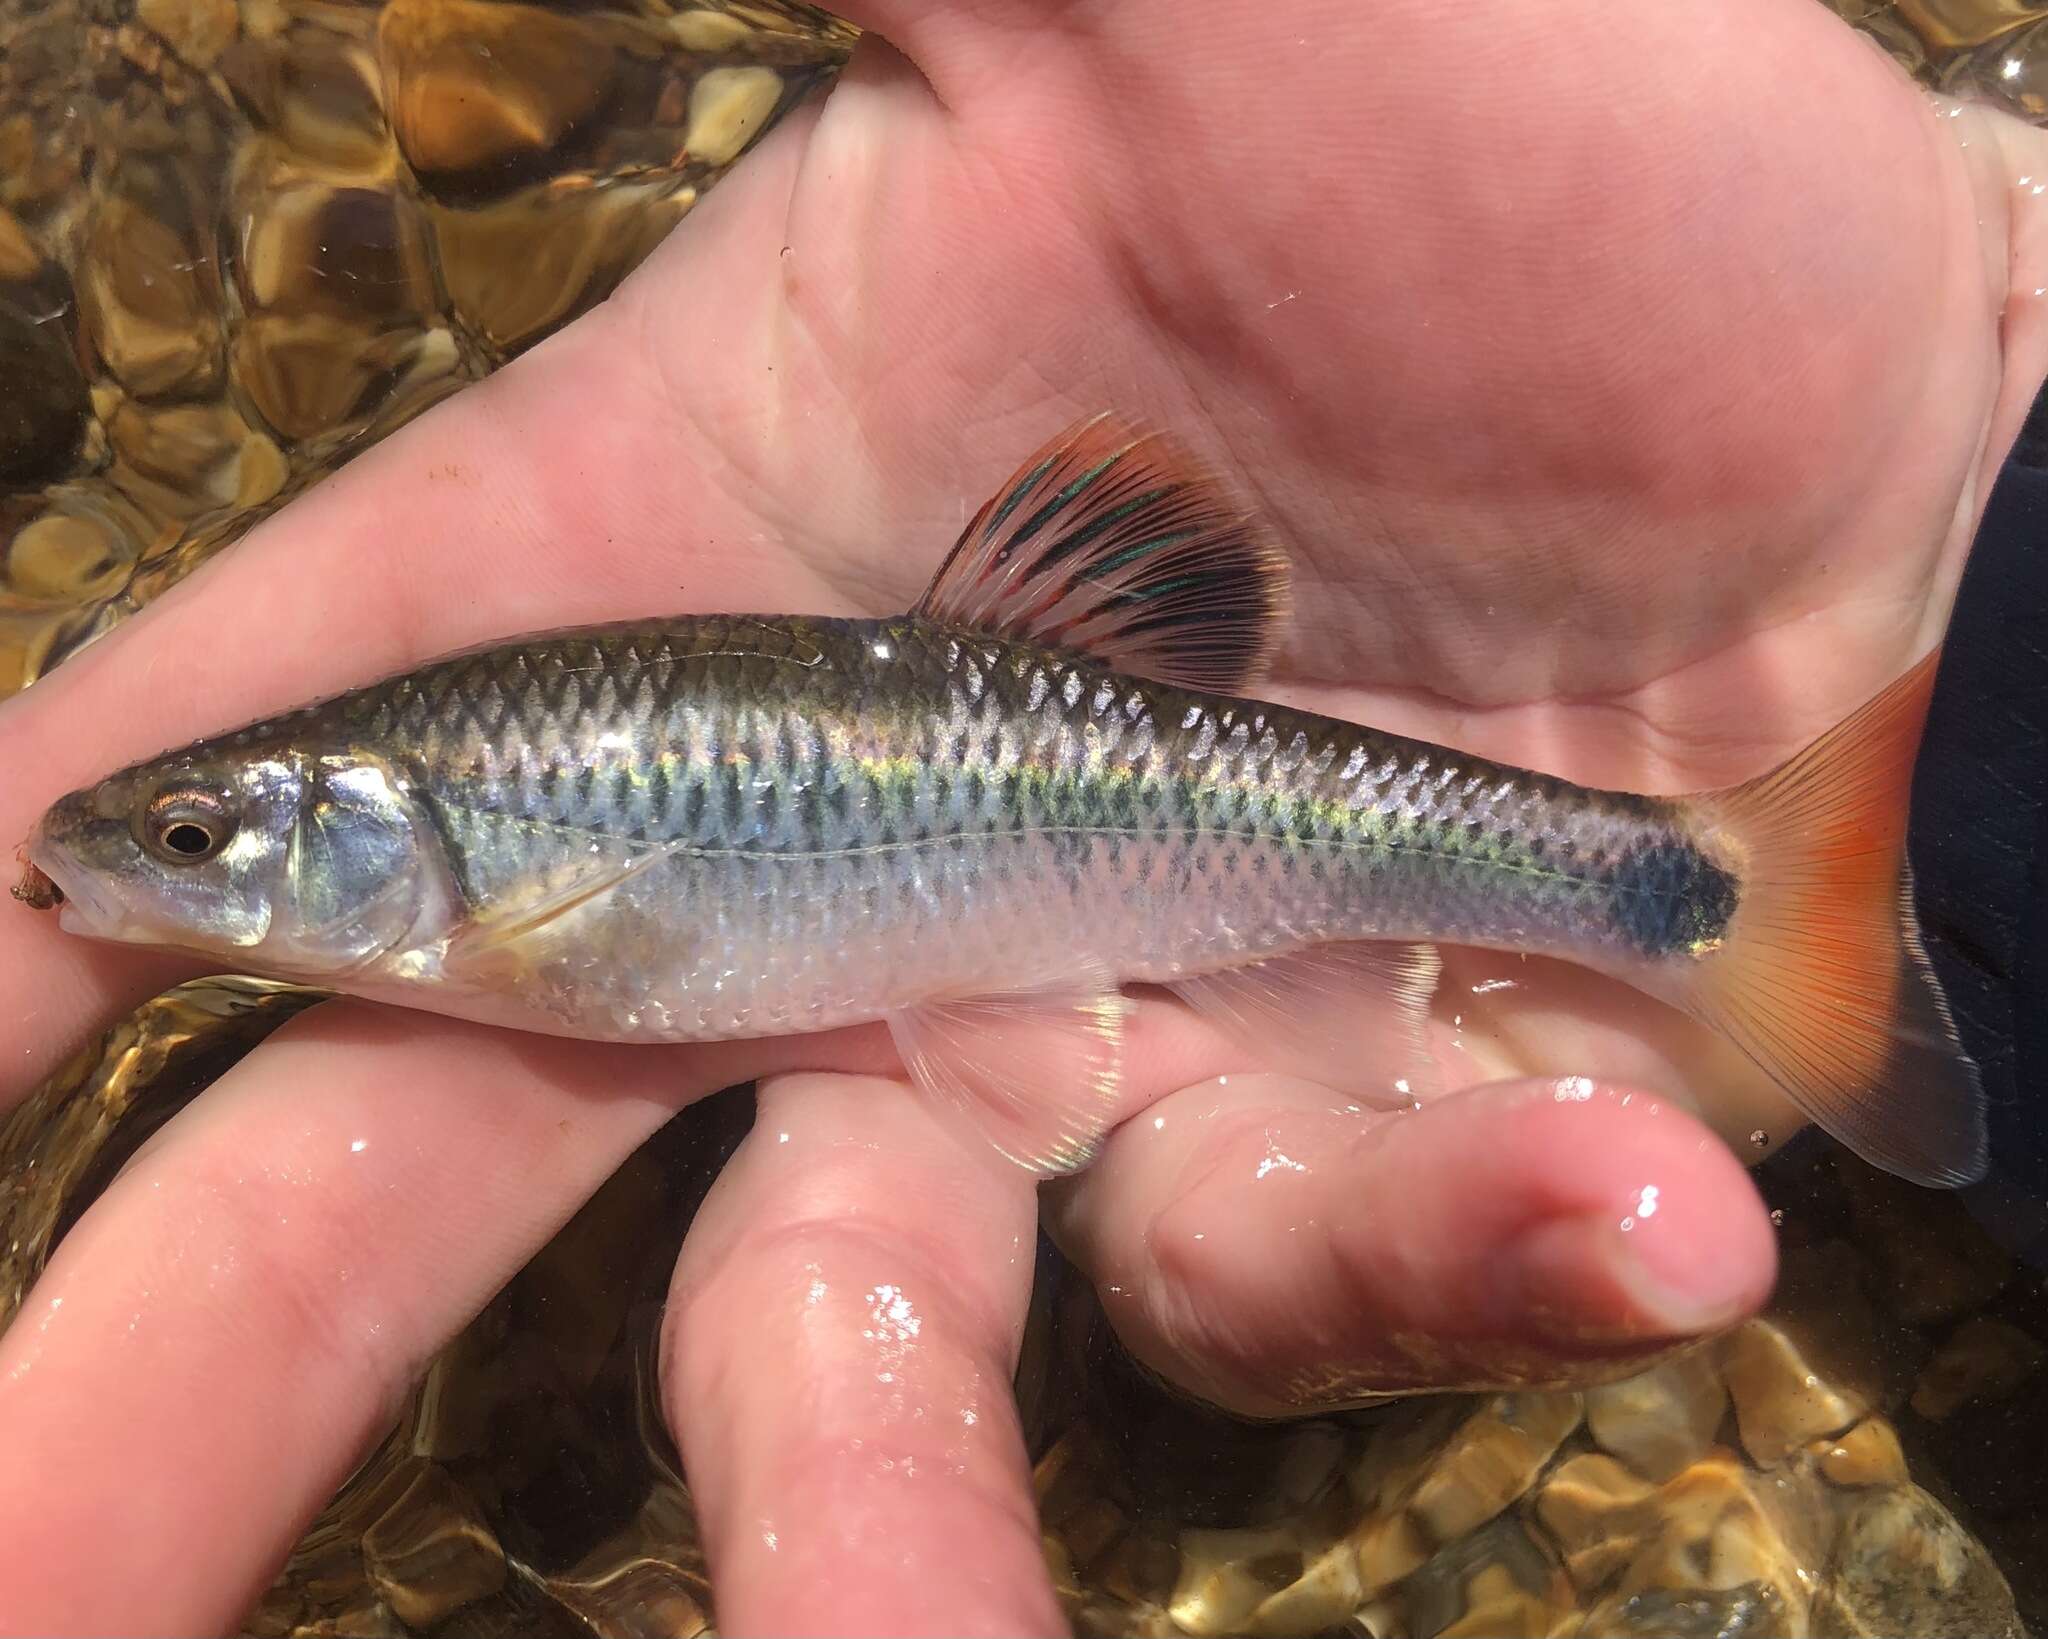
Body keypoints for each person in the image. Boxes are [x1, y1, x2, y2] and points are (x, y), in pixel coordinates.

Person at [2, 2, 2043, 1632]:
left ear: (372, 822)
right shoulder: (455, 863)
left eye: (202, 840)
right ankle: (1736, 887)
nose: (163, 865)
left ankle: (1713, 888)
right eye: (201, 840)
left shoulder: (482, 895)